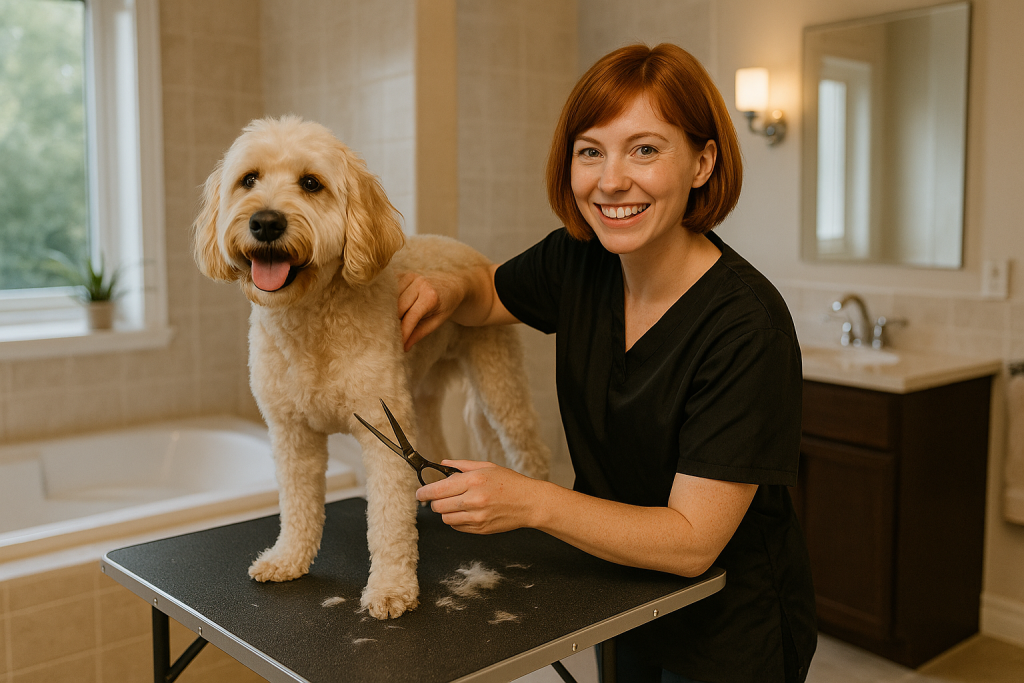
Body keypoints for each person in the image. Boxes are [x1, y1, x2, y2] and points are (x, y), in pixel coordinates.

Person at [398, 43, 817, 683]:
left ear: (703, 162)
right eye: (590, 150)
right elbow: (489, 293)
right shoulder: (581, 261)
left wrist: (531, 503)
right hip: (621, 602)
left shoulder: (745, 325)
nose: (611, 180)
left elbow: (692, 542)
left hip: (729, 629)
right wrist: (451, 289)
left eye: (645, 149)